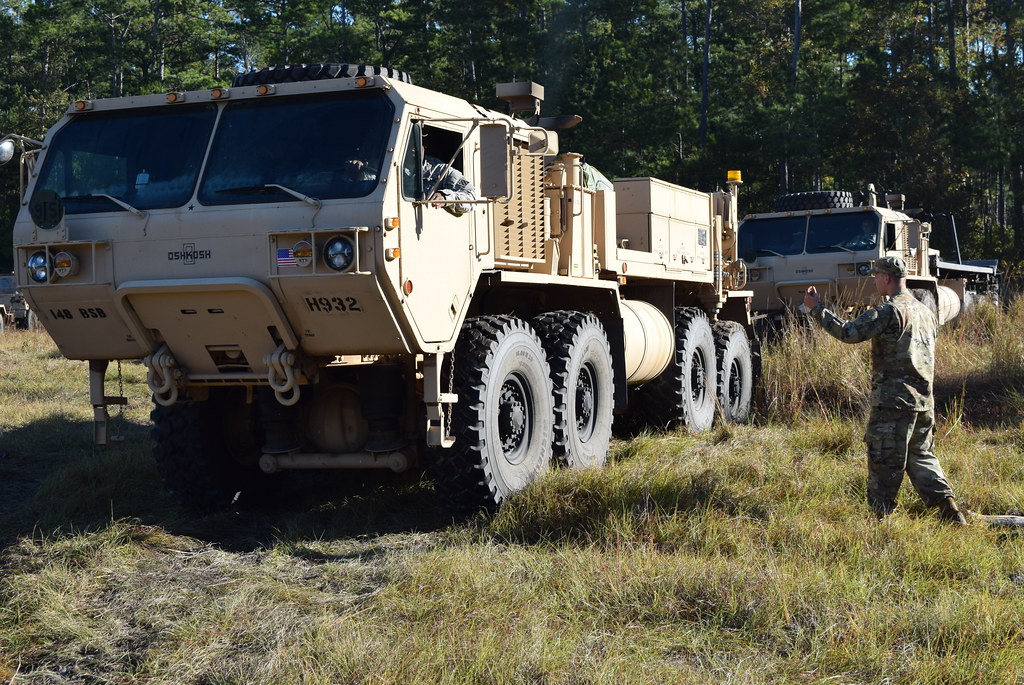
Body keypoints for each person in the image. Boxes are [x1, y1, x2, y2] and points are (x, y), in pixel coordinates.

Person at [802, 256, 968, 524]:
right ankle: (949, 509)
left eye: (877, 277)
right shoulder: (926, 312)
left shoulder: (888, 311)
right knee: (922, 457)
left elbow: (849, 332)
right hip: (924, 403)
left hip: (893, 403)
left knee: (883, 463)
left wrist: (818, 309)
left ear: (887, 278)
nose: (875, 282)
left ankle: (881, 523)